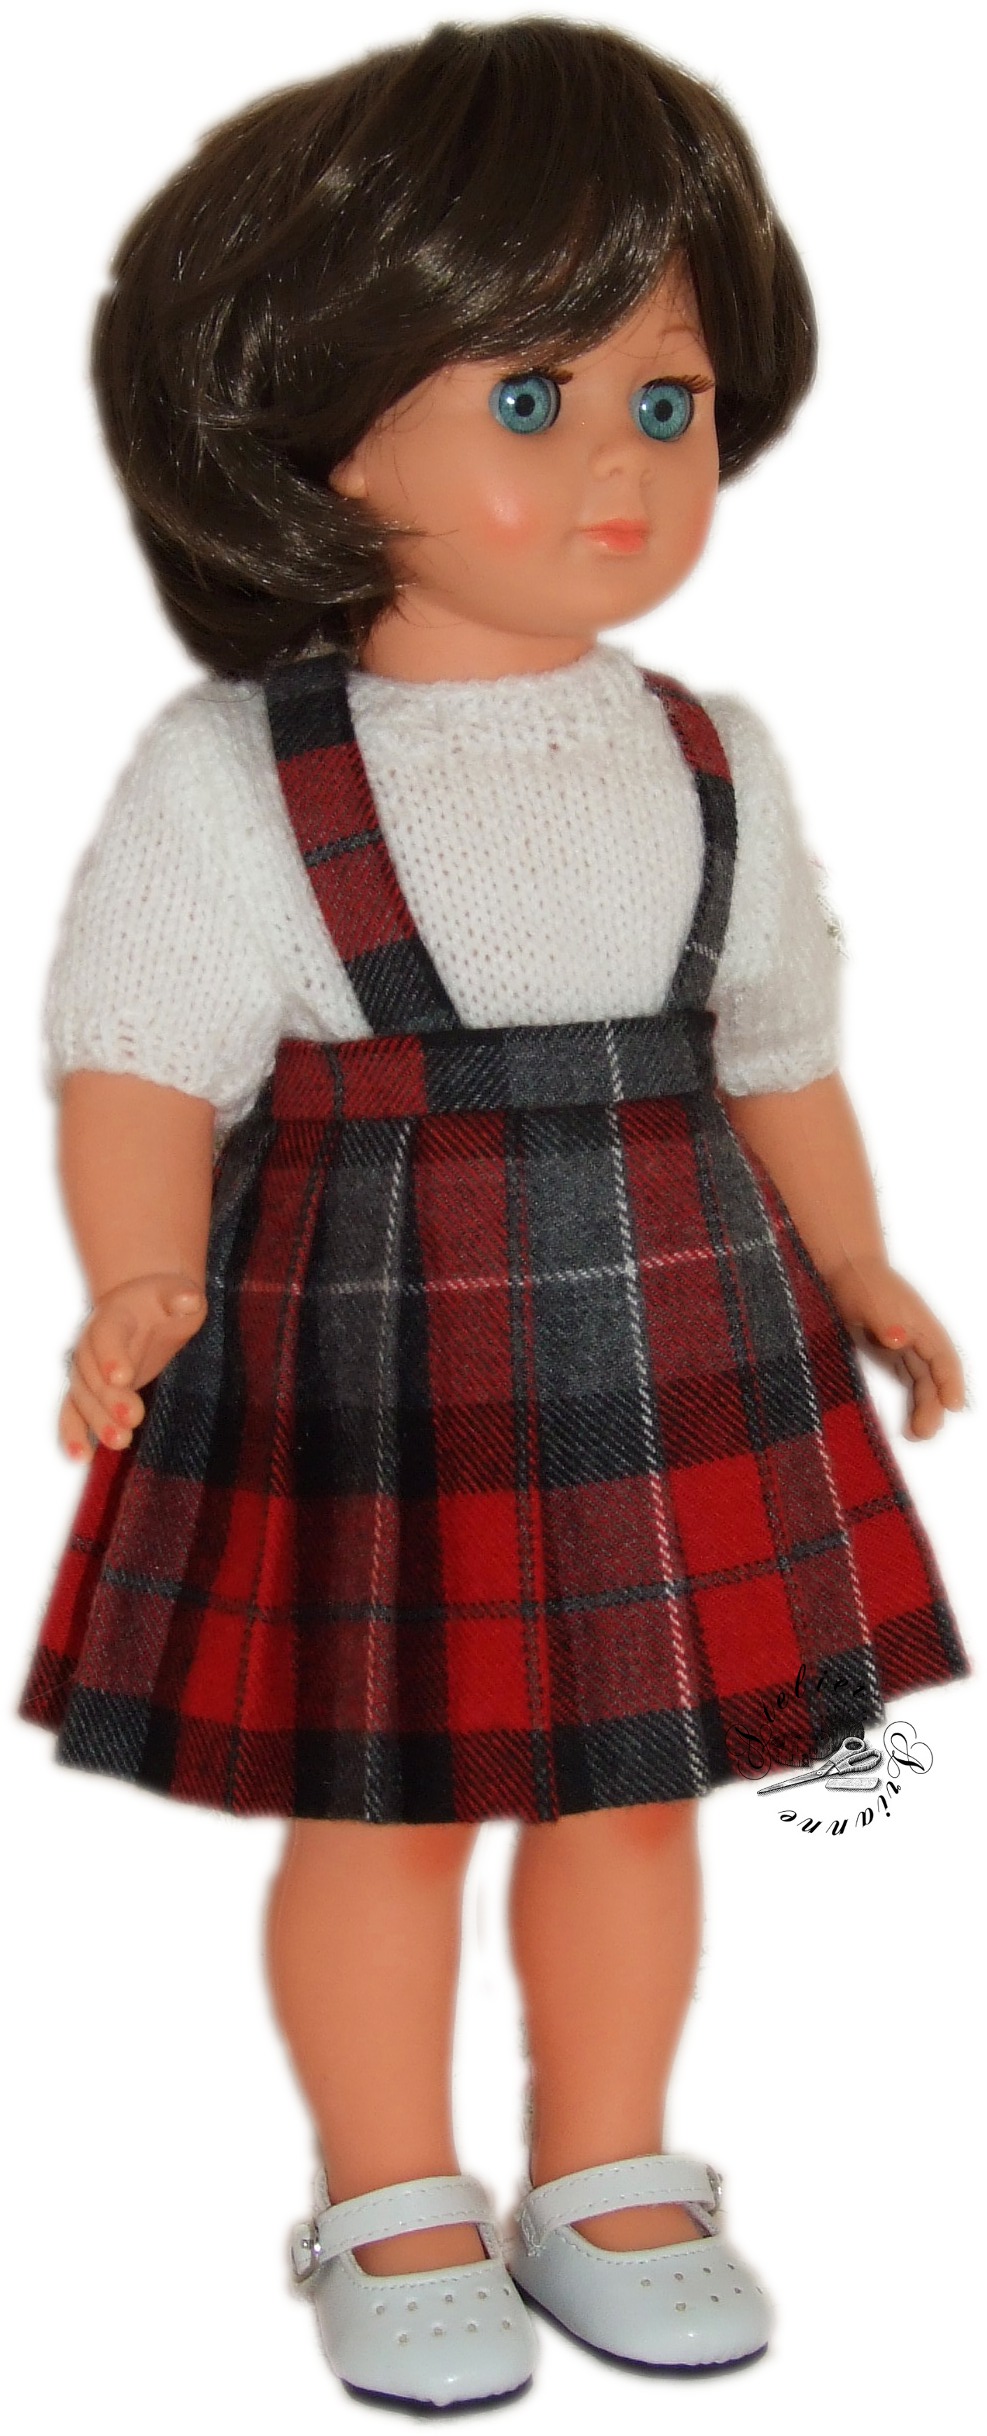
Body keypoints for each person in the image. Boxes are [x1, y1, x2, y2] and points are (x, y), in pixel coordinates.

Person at [18, 17, 971, 2413]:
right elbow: (136, 1050)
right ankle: (387, 2191)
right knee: (385, 1806)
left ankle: (609, 2163)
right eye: (527, 400)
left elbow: (772, 1049)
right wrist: (139, 1270)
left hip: (671, 1317)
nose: (619, 467)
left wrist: (855, 1260)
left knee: (632, 1792)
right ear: (322, 425)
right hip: (372, 1330)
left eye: (663, 400)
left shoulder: (707, 754)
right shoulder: (241, 771)